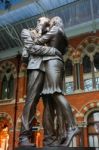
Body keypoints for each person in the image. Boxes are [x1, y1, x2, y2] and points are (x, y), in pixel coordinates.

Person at [34, 16, 80, 146]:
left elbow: (38, 41)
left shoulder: (55, 30)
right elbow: (62, 51)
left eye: (51, 21)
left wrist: (39, 30)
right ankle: (60, 134)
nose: (50, 23)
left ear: (55, 22)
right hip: (55, 63)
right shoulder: (62, 35)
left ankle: (72, 126)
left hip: (52, 63)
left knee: (55, 92)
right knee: (50, 98)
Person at [19, 17, 62, 146]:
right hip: (36, 68)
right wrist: (52, 51)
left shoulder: (49, 36)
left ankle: (49, 138)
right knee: (31, 101)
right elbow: (32, 49)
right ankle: (24, 137)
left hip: (50, 69)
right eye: (46, 22)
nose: (48, 25)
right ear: (39, 21)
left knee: (49, 104)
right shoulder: (27, 32)